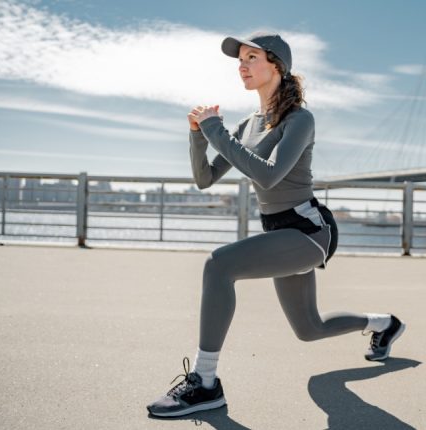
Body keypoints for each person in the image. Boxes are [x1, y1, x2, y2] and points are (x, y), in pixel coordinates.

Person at [147, 32, 405, 418]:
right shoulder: (246, 125)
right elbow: (205, 179)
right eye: (240, 60)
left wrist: (215, 129)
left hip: (308, 232)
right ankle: (385, 323)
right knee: (309, 328)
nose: (242, 65)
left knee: (219, 265)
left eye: (252, 57)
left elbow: (268, 176)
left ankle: (205, 382)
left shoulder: (300, 120)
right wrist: (198, 136)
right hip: (279, 233)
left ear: (277, 67)